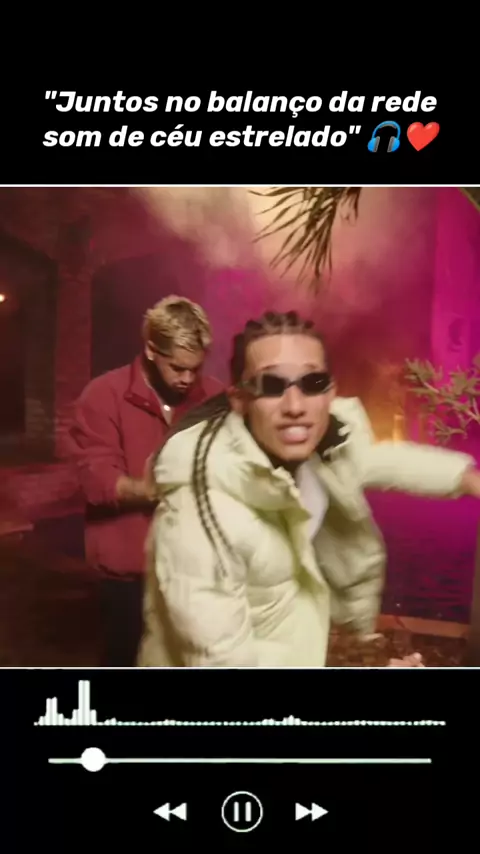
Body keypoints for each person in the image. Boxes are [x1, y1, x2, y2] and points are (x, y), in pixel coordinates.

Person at [138, 310, 480, 669]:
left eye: (312, 383)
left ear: (330, 392)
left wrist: (467, 478)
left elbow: (379, 460)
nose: (296, 406)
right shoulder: (201, 507)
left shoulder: (325, 443)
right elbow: (223, 662)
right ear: (239, 399)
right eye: (271, 385)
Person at [68, 295, 224, 666]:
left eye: (195, 368)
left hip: (197, 570)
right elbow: (97, 478)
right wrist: (156, 490)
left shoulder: (215, 398)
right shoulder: (102, 395)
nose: (188, 379)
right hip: (129, 574)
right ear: (152, 350)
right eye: (178, 368)